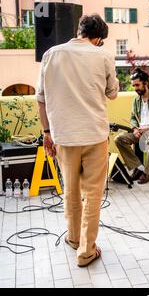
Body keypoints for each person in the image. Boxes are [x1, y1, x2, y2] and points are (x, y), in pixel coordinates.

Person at [36, 14, 118, 267]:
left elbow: (41, 99)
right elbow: (113, 94)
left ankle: (73, 239)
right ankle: (86, 251)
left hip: (64, 136)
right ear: (98, 38)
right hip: (95, 135)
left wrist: (47, 133)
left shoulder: (51, 54)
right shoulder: (103, 56)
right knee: (92, 195)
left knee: (70, 192)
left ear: (79, 31)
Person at [114, 68, 149, 184]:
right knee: (119, 139)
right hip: (140, 131)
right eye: (133, 86)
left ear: (146, 83)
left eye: (137, 85)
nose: (135, 88)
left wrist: (148, 127)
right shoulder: (135, 100)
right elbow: (133, 118)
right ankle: (138, 168)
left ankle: (146, 172)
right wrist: (135, 128)